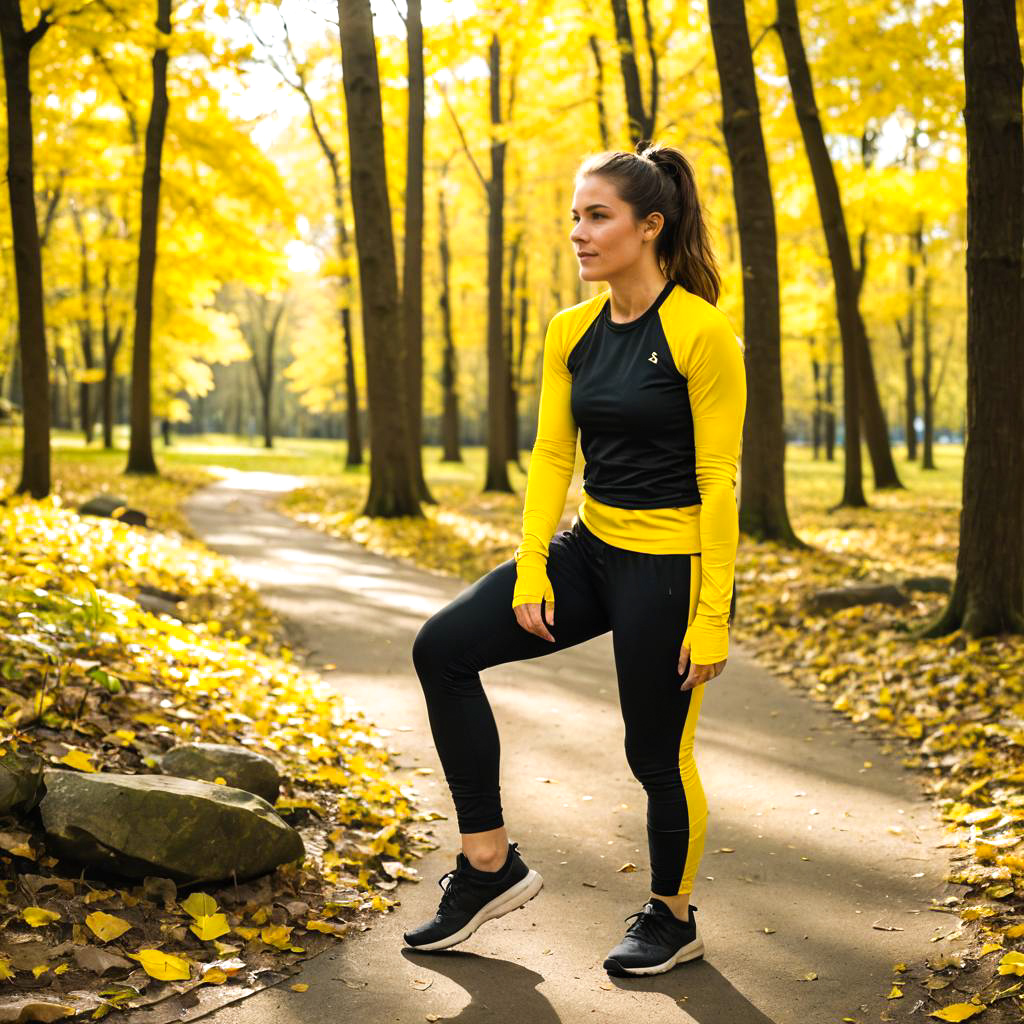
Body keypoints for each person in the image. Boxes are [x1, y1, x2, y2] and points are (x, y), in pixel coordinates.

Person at [404, 139, 747, 977]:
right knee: (443, 649)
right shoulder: (572, 330)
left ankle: (672, 916)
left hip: (671, 569)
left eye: (598, 218)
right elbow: (553, 457)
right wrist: (529, 567)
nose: (580, 234)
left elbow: (718, 484)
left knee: (654, 756)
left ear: (650, 226)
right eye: (574, 218)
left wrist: (709, 620)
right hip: (589, 551)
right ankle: (490, 864)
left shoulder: (702, 334)